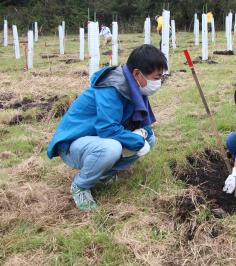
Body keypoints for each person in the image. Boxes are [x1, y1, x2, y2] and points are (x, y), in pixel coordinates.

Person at [47, 45, 168, 210]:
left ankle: (104, 175)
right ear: (137, 74)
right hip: (73, 144)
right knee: (112, 147)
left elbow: (142, 126)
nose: (158, 82)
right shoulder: (112, 88)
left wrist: (142, 135)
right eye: (156, 77)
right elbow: (108, 129)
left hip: (95, 138)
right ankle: (81, 186)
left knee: (149, 138)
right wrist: (137, 140)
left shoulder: (134, 87)